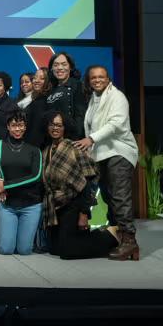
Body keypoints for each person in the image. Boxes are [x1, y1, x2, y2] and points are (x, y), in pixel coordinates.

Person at [74, 65, 140, 261]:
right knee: (111, 198)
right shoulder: (94, 99)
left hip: (119, 151)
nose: (97, 80)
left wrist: (91, 139)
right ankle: (120, 238)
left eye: (100, 77)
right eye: (93, 77)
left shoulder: (117, 97)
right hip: (102, 155)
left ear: (108, 78)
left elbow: (115, 124)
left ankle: (130, 241)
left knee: (120, 197)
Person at [41, 111, 119, 259]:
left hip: (74, 204)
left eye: (59, 125)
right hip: (55, 206)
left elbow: (88, 182)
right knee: (54, 250)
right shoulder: (46, 151)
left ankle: (111, 235)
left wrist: (84, 214)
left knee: (67, 252)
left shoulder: (74, 147)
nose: (55, 128)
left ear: (65, 127)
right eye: (52, 124)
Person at [0, 111, 44, 255]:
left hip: (31, 205)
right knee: (6, 249)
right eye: (14, 125)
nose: (17, 129)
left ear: (25, 127)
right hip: (8, 205)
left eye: (21, 125)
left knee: (24, 250)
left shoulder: (34, 150)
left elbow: (36, 176)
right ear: (8, 126)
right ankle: (7, 238)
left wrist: (5, 185)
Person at [46, 52, 87, 140]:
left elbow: (80, 116)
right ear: (51, 68)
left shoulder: (77, 85)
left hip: (72, 140)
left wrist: (76, 140)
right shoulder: (50, 89)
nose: (60, 68)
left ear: (70, 67)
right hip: (53, 139)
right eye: (56, 65)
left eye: (64, 64)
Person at [25, 67, 52, 147]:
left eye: (42, 78)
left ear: (48, 81)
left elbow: (38, 131)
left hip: (39, 149)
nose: (36, 81)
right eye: (35, 78)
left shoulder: (47, 100)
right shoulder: (33, 100)